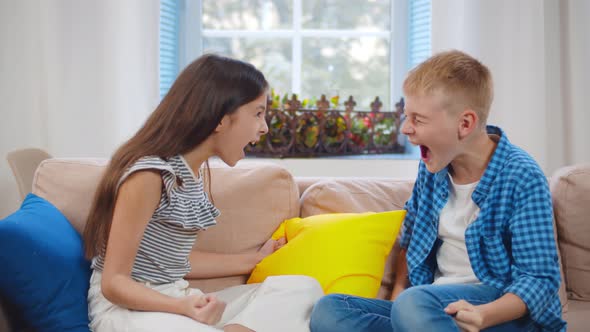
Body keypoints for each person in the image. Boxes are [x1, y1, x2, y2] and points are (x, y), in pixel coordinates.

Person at [309, 50, 566, 332]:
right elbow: (410, 241)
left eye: (418, 119)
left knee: (414, 305)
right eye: (406, 117)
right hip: (432, 311)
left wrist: (484, 316)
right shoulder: (433, 169)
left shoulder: (522, 176)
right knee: (331, 310)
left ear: (464, 124)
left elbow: (539, 279)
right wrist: (398, 306)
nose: (405, 129)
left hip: (499, 313)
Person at [83, 54, 323, 332]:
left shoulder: (192, 173)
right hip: (127, 312)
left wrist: (254, 259)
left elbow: (174, 260)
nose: (264, 127)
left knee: (302, 289)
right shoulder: (149, 176)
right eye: (257, 113)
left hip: (176, 300)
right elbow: (114, 283)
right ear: (220, 119)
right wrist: (181, 308)